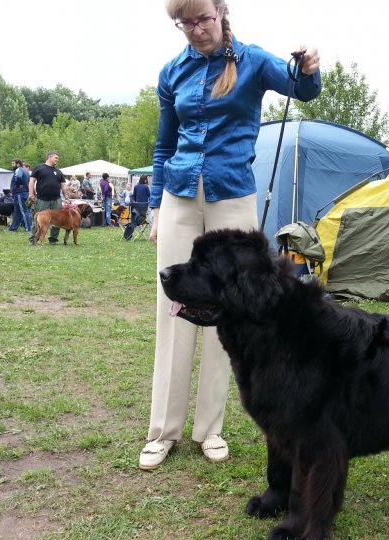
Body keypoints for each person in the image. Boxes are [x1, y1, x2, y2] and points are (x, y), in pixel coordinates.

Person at [138, 0, 321, 470]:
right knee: (173, 310)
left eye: (203, 18)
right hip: (179, 196)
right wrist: (156, 205)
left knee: (231, 309)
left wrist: (309, 65)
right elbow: (163, 145)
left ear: (221, 12)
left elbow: (304, 89)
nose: (196, 29)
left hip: (233, 198)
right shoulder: (170, 72)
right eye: (185, 22)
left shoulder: (254, 60)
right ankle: (163, 431)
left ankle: (210, 429)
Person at [27, 151, 68, 245]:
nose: (57, 160)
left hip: (56, 199)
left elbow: (63, 185)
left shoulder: (58, 172)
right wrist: (30, 194)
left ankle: (53, 239)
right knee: (38, 220)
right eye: (56, 158)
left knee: (58, 221)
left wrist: (66, 196)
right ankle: (33, 239)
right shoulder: (39, 168)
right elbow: (31, 181)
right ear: (49, 157)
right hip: (42, 199)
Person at [8, 158, 32, 233]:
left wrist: (18, 185)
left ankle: (28, 228)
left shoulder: (19, 169)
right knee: (18, 211)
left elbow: (18, 177)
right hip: (23, 193)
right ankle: (13, 228)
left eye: (13, 163)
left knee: (23, 210)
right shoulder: (26, 170)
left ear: (18, 164)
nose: (12, 165)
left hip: (20, 193)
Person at [124, 176, 150, 240]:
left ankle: (128, 233)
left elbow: (134, 197)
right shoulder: (146, 186)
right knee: (144, 215)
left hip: (137, 206)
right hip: (144, 206)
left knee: (135, 216)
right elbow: (149, 194)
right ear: (145, 180)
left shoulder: (136, 186)